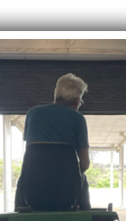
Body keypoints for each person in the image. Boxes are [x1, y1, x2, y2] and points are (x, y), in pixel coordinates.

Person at [16, 73, 92, 211]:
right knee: (83, 179)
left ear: (56, 96)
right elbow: (85, 163)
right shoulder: (78, 118)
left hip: (33, 190)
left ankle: (20, 210)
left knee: (22, 179)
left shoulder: (32, 113)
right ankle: (85, 215)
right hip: (67, 194)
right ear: (76, 100)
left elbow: (32, 154)